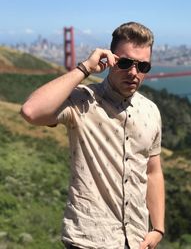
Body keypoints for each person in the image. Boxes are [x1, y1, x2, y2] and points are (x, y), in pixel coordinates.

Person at [21, 22, 165, 249]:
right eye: (125, 63)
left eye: (143, 66)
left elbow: (153, 171)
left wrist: (157, 228)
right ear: (110, 60)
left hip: (137, 240)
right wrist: (85, 68)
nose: (134, 72)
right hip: (89, 240)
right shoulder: (80, 100)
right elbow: (31, 111)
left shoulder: (151, 111)